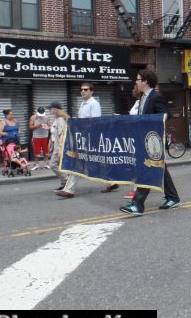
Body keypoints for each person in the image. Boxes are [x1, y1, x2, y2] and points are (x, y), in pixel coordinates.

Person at [120, 69, 182, 216]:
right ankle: (173, 197)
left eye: (137, 79)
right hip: (144, 138)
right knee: (160, 169)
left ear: (145, 81)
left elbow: (166, 114)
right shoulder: (143, 98)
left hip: (153, 140)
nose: (136, 82)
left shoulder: (156, 96)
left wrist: (151, 124)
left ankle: (137, 205)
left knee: (147, 168)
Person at [55, 82, 119, 198]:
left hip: (90, 138)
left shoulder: (94, 104)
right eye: (81, 89)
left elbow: (95, 122)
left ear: (91, 91)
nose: (83, 91)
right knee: (96, 161)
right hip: (84, 138)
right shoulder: (83, 103)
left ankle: (69, 190)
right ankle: (113, 181)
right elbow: (83, 120)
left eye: (85, 89)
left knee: (80, 162)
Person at [47, 102, 69, 190]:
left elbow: (62, 135)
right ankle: (65, 183)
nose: (49, 110)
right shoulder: (56, 119)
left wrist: (60, 149)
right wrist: (50, 142)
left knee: (52, 165)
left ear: (55, 109)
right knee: (59, 165)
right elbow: (54, 133)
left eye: (50, 109)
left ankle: (67, 180)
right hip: (55, 146)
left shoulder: (60, 119)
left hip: (59, 147)